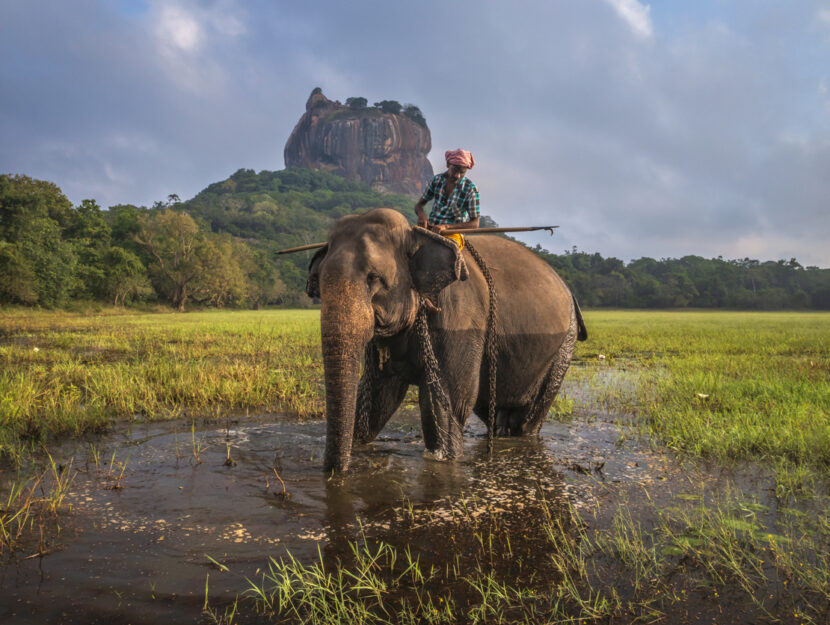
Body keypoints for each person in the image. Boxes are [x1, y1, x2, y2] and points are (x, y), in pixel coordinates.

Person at [414, 149, 480, 234]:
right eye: (455, 170)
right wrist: (421, 215)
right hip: (431, 229)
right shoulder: (436, 180)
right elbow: (419, 205)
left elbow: (474, 223)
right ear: (448, 164)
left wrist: (446, 227)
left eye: (462, 172)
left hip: (453, 234)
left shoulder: (471, 190)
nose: (457, 175)